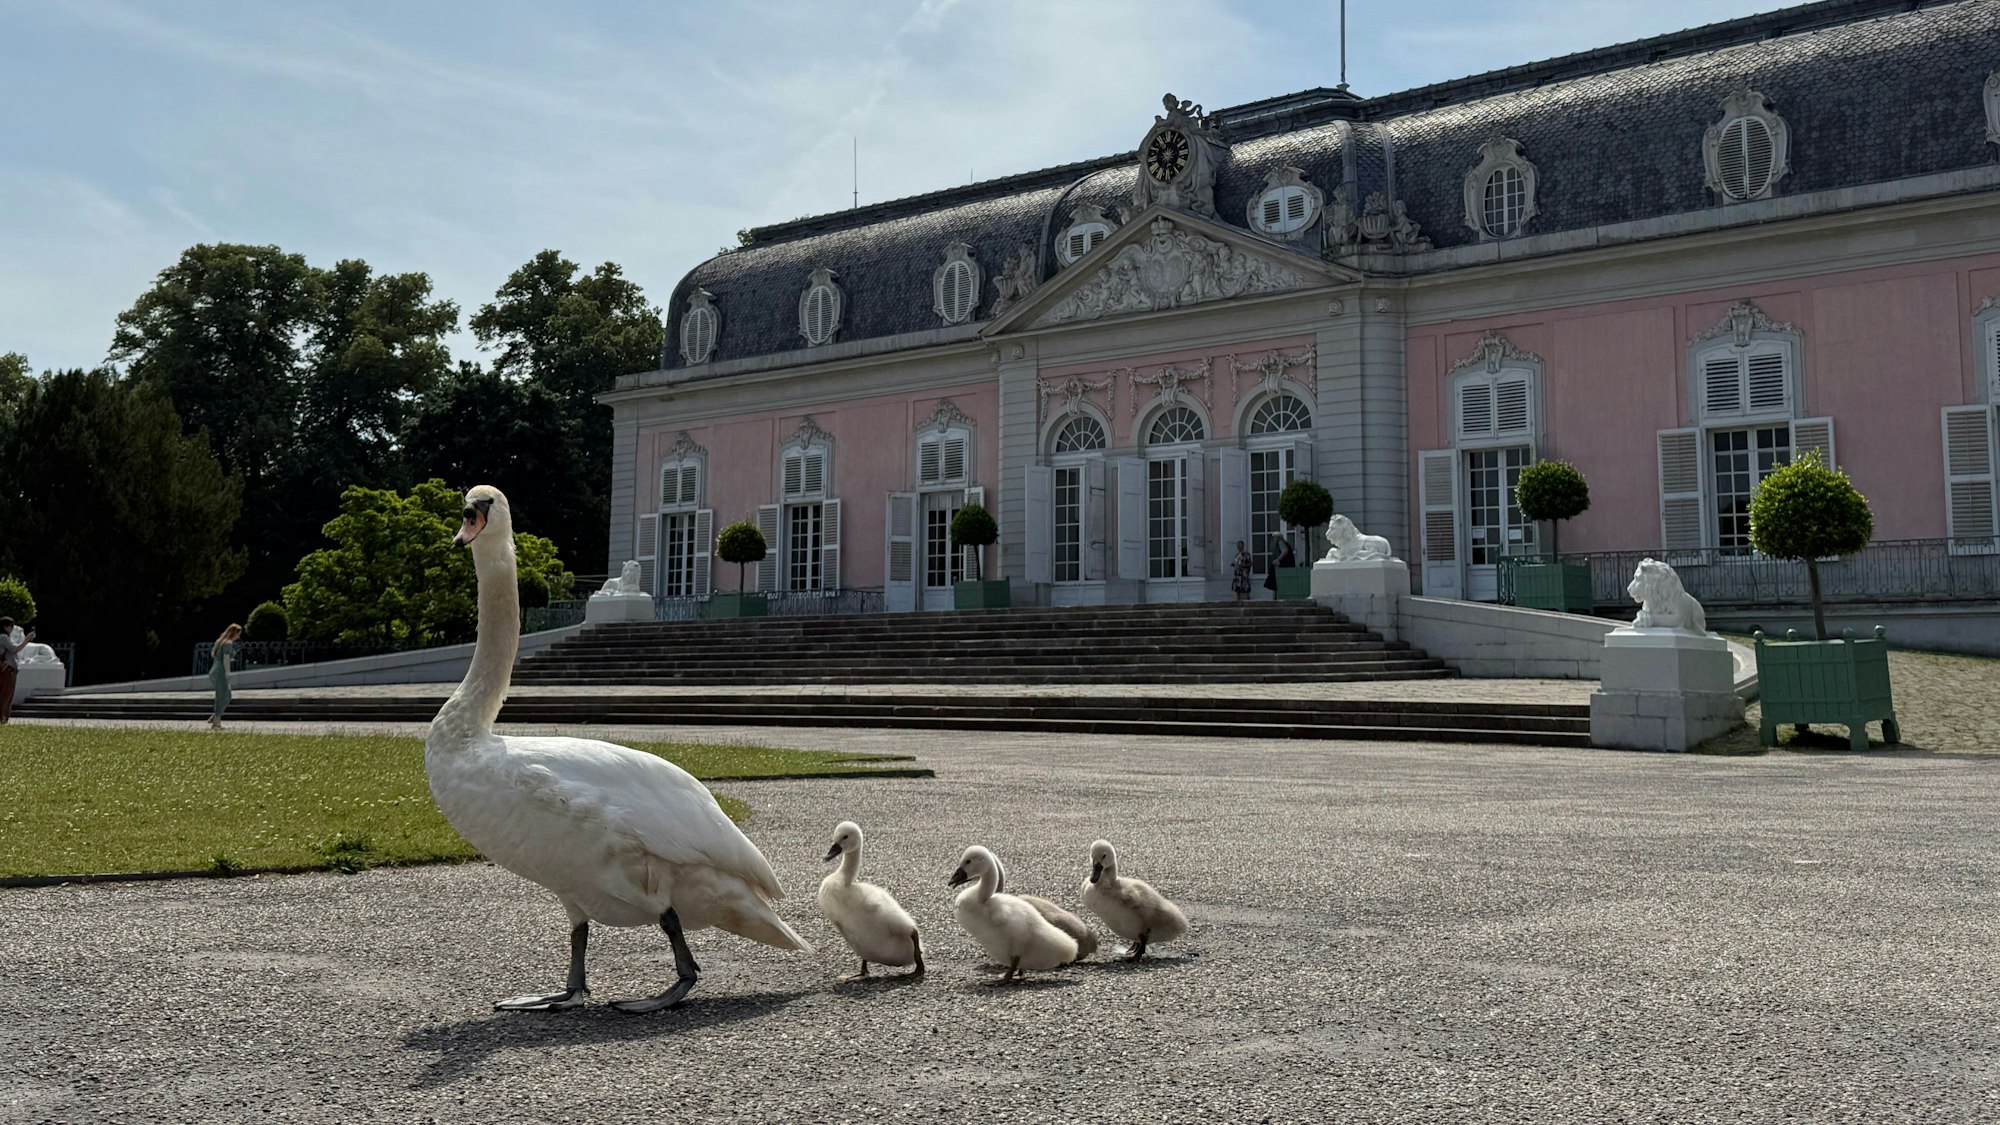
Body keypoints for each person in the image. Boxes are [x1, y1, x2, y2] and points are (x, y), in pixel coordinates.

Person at [208, 623, 242, 730]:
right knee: (223, 695)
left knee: (224, 695)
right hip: (221, 671)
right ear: (234, 633)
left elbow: (214, 655)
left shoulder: (220, 642)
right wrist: (228, 672)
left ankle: (216, 717)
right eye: (238, 634)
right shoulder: (228, 643)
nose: (239, 636)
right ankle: (216, 721)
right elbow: (226, 658)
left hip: (215, 669)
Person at [0, 617, 28, 724]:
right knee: (6, 694)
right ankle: (3, 717)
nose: (12, 629)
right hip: (8, 670)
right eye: (11, 626)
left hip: (4, 669)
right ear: (6, 627)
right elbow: (14, 649)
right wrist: (26, 640)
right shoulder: (3, 637)